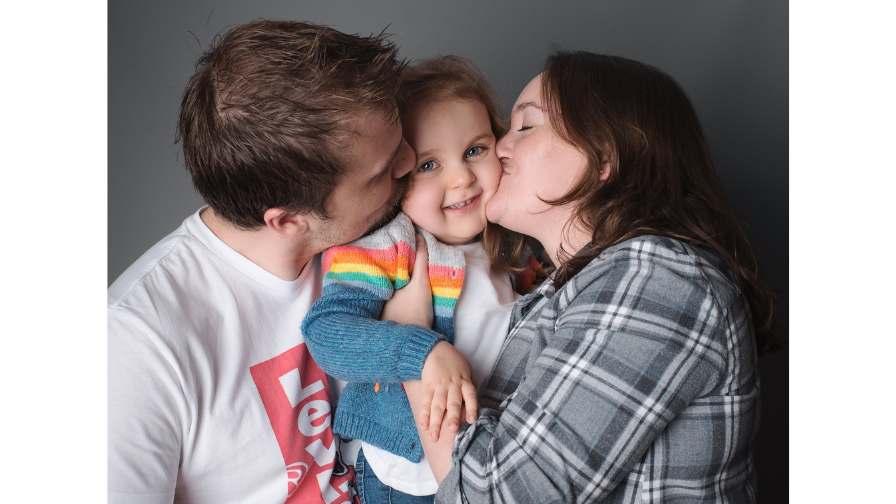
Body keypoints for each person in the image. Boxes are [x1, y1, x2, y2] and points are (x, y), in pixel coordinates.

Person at [394, 51, 774, 502]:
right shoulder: (564, 287)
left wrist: (410, 343)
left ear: (602, 157)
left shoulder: (653, 277)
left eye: (527, 126)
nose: (500, 147)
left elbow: (494, 495)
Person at [107, 20, 417, 503]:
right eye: (382, 170)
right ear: (288, 219)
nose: (411, 162)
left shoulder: (382, 232)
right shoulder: (135, 346)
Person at [302, 56, 539, 504]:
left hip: (478, 461)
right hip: (405, 474)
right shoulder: (393, 246)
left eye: (475, 150)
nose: (462, 177)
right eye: (429, 165)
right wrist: (423, 353)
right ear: (395, 175)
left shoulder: (505, 238)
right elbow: (327, 333)